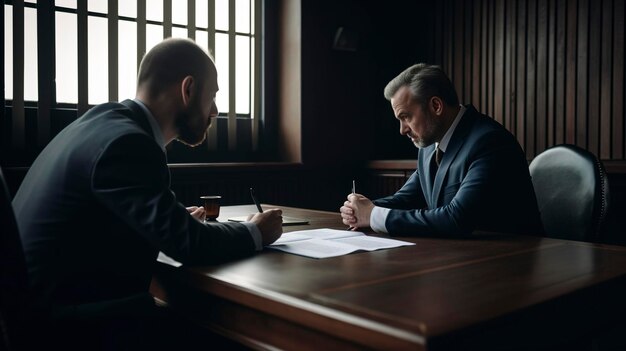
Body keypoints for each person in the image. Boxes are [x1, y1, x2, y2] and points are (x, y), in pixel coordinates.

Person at [12, 38, 283, 348]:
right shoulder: (129, 144)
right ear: (189, 89)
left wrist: (170, 219)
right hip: (60, 330)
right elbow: (190, 245)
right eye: (212, 96)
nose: (216, 111)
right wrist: (254, 231)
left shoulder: (102, 124)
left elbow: (94, 224)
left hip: (43, 311)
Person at [340, 63, 543, 237]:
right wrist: (362, 208)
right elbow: (407, 198)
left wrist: (373, 215)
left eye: (406, 117)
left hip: (509, 264)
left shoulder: (490, 142)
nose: (402, 130)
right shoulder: (429, 146)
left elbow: (456, 218)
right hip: (462, 259)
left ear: (436, 106)